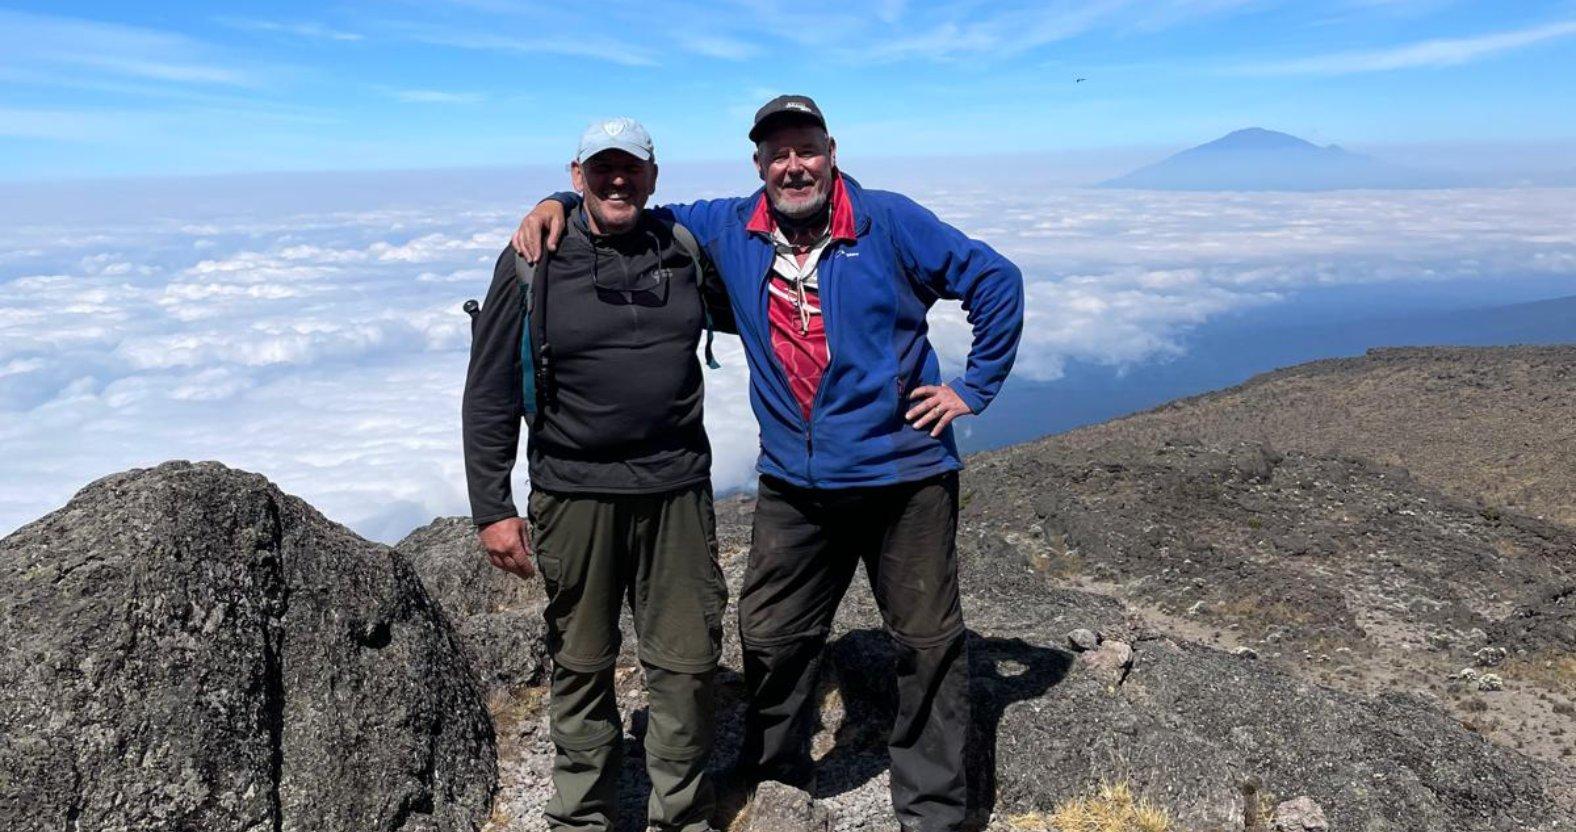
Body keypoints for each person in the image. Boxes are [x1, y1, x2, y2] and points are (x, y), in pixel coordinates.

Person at [512, 95, 1024, 832]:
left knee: (926, 643)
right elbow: (628, 200)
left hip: (903, 475)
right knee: (772, 632)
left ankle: (933, 811)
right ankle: (777, 770)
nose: (793, 165)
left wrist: (972, 388)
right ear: (759, 165)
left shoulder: (889, 220)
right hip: (796, 479)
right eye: (777, 153)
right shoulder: (730, 225)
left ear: (831, 151)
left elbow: (995, 280)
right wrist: (556, 201)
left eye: (805, 149)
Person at [463, 116, 735, 832]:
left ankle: (682, 815)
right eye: (601, 169)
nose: (619, 180)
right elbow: (489, 389)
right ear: (577, 174)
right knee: (581, 662)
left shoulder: (680, 249)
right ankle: (582, 815)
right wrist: (491, 506)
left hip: (675, 489)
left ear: (653, 176)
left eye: (632, 169)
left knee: (686, 662)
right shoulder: (532, 259)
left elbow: (765, 299)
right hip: (574, 491)